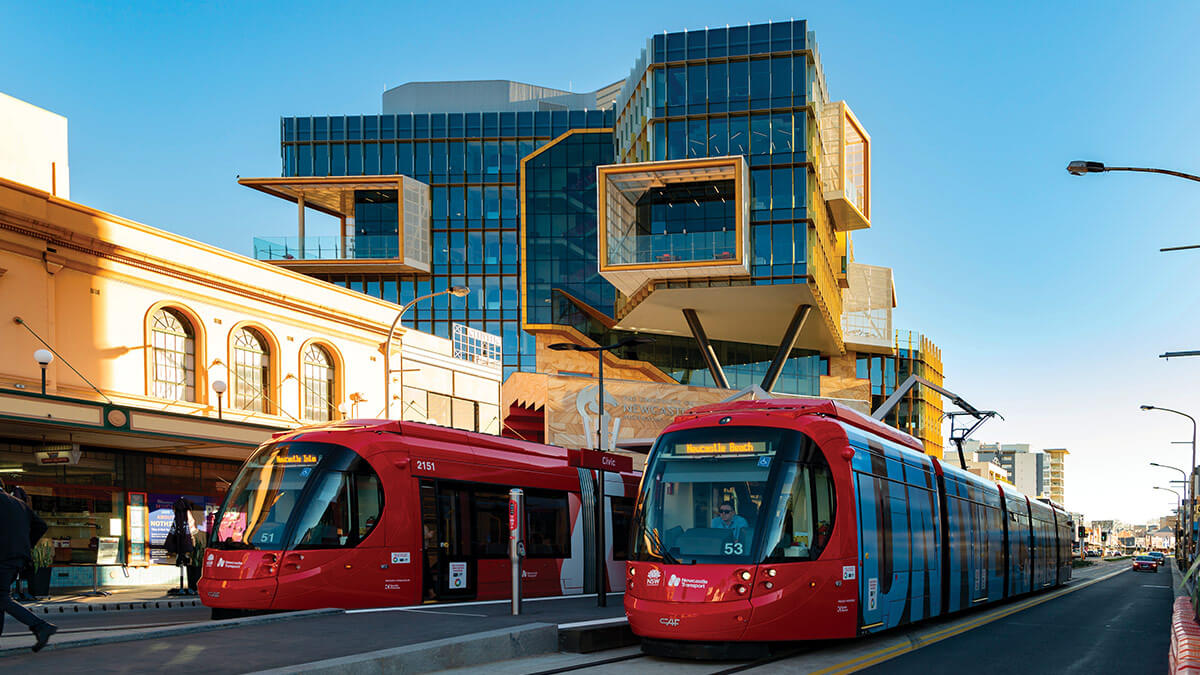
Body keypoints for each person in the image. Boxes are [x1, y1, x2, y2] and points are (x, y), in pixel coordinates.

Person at [0, 483, 57, 652]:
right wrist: (26, 545)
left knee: (2, 598)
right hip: (17, 559)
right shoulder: (18, 504)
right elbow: (41, 526)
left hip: (2, 558)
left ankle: (41, 626)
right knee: (1, 598)